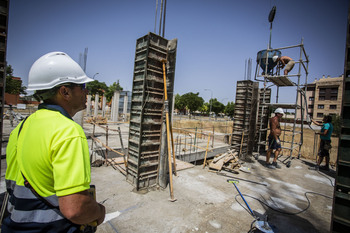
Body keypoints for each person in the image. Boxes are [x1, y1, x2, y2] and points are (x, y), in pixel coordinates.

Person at [2, 52, 106, 232]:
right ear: (65, 92)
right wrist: (99, 211)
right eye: (82, 86)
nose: (86, 91)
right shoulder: (68, 132)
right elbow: (75, 209)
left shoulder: (20, 128)